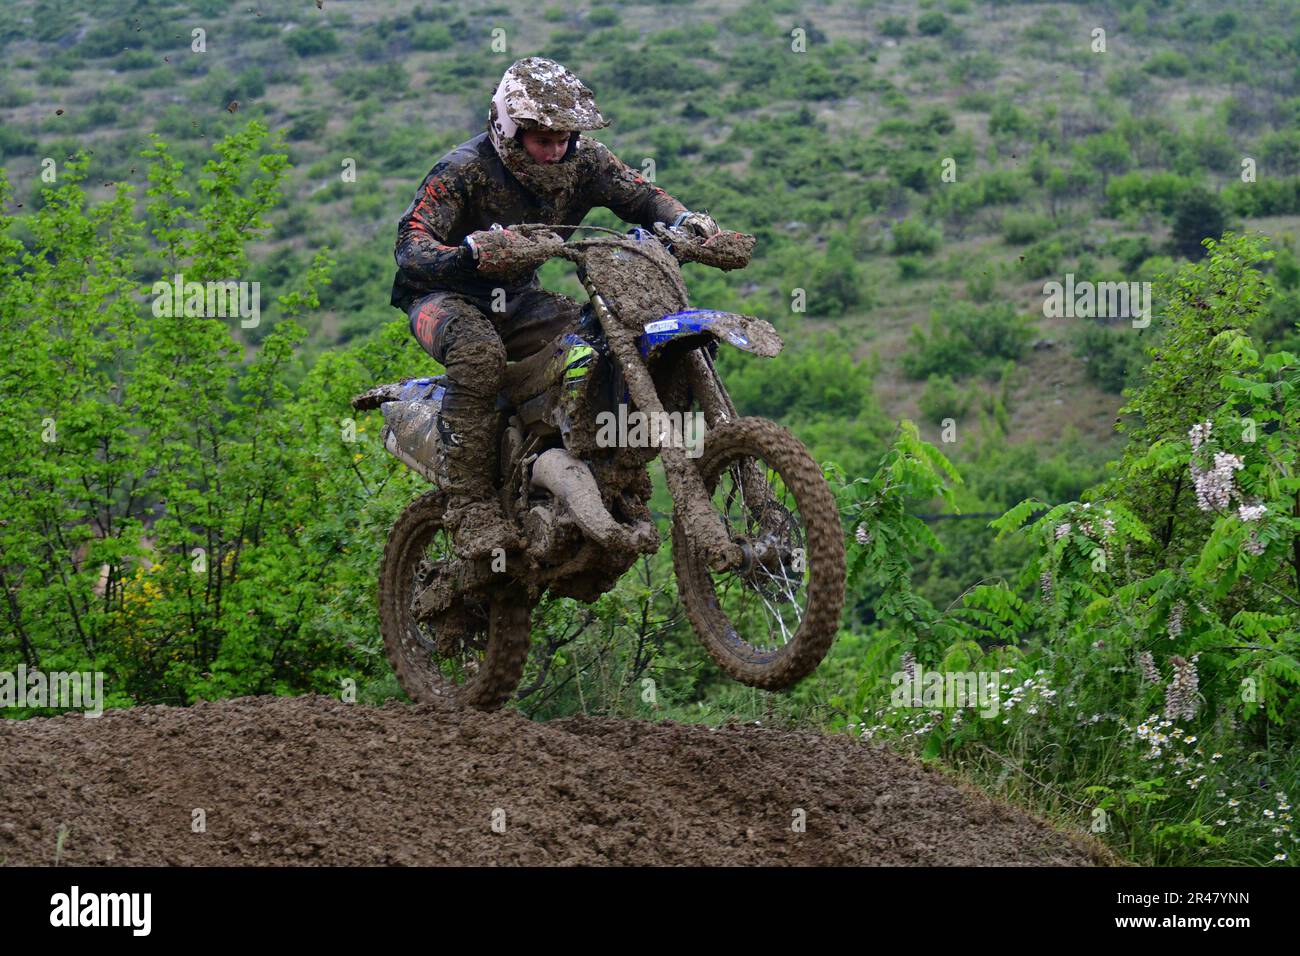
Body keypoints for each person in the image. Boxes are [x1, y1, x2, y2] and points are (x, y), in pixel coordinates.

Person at [390, 56, 720, 560]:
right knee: (478, 355)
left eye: (564, 138)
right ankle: (471, 506)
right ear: (509, 130)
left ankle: (584, 461)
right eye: (543, 139)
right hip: (441, 295)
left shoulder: (585, 163)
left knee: (599, 342)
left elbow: (642, 196)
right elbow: (410, 245)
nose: (555, 150)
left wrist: (686, 222)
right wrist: (469, 253)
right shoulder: (464, 170)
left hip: (518, 297)